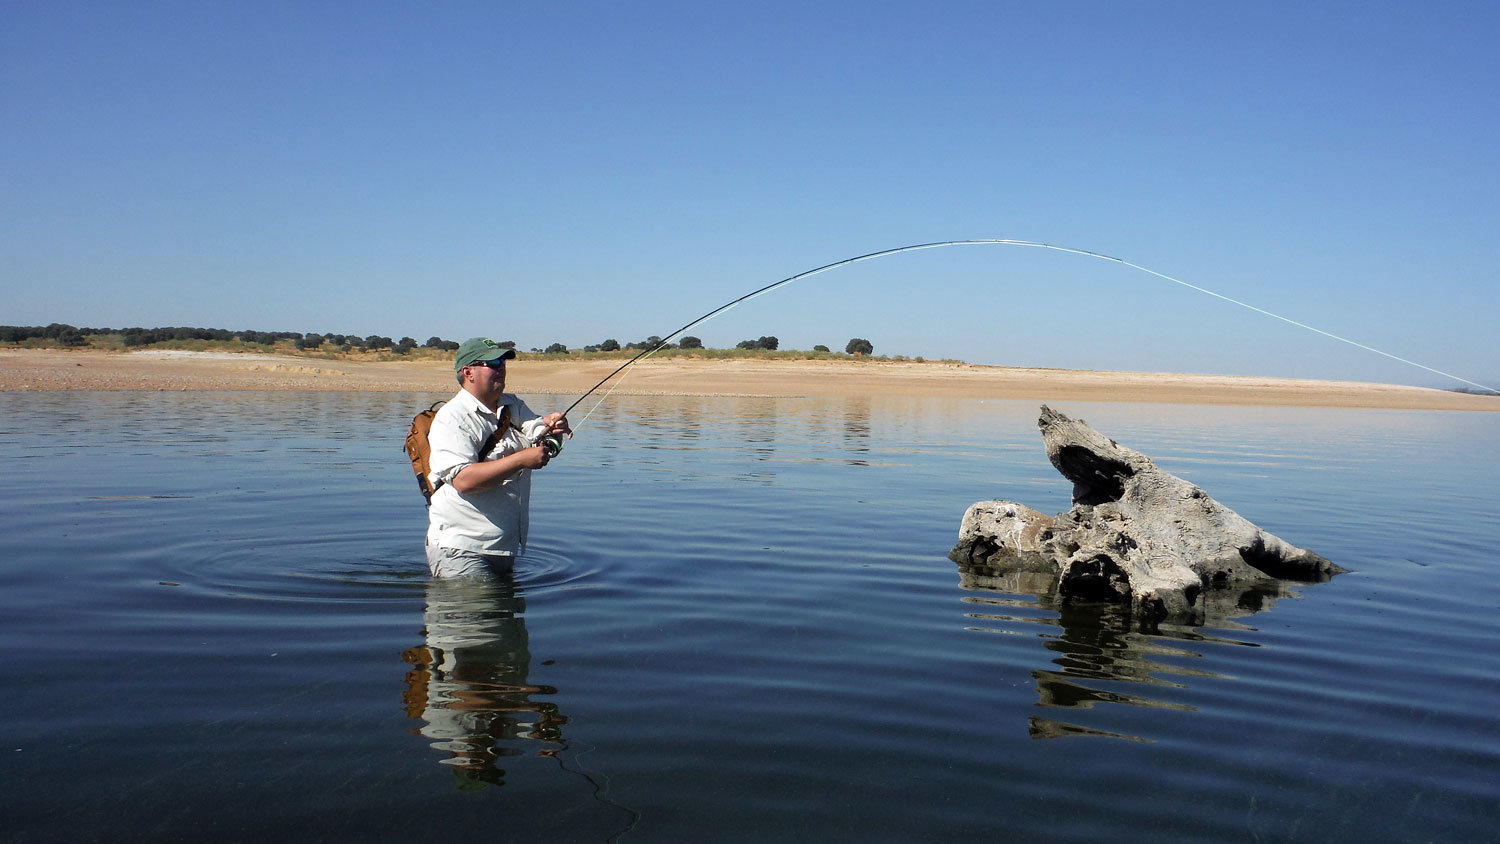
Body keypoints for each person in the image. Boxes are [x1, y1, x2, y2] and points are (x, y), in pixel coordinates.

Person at [425, 337, 570, 578]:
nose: (501, 367)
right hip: (462, 550)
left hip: (504, 549)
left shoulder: (512, 404)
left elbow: (540, 436)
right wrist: (522, 459)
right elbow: (464, 480)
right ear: (468, 372)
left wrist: (553, 429)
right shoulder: (452, 418)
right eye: (492, 362)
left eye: (503, 361)